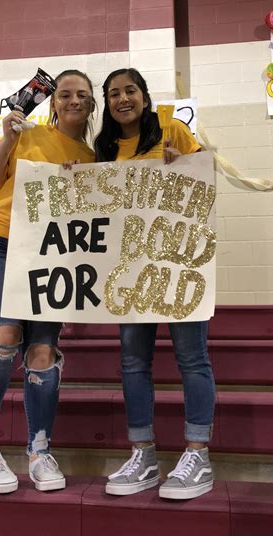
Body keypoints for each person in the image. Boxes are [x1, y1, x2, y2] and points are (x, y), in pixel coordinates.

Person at [0, 70, 95, 494]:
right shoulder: (27, 133)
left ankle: (40, 450)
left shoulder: (96, 160)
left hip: (50, 254)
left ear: (91, 104)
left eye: (82, 94)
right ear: (53, 102)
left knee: (42, 353)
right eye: (65, 94)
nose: (73, 100)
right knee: (4, 335)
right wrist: (7, 137)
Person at [95, 68, 215, 501]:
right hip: (129, 271)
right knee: (132, 362)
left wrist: (182, 163)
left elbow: (207, 175)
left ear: (144, 96)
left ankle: (198, 451)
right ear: (107, 103)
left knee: (191, 359)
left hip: (179, 263)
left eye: (130, 90)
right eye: (113, 94)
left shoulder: (172, 128)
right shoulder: (105, 148)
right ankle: (142, 452)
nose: (122, 99)